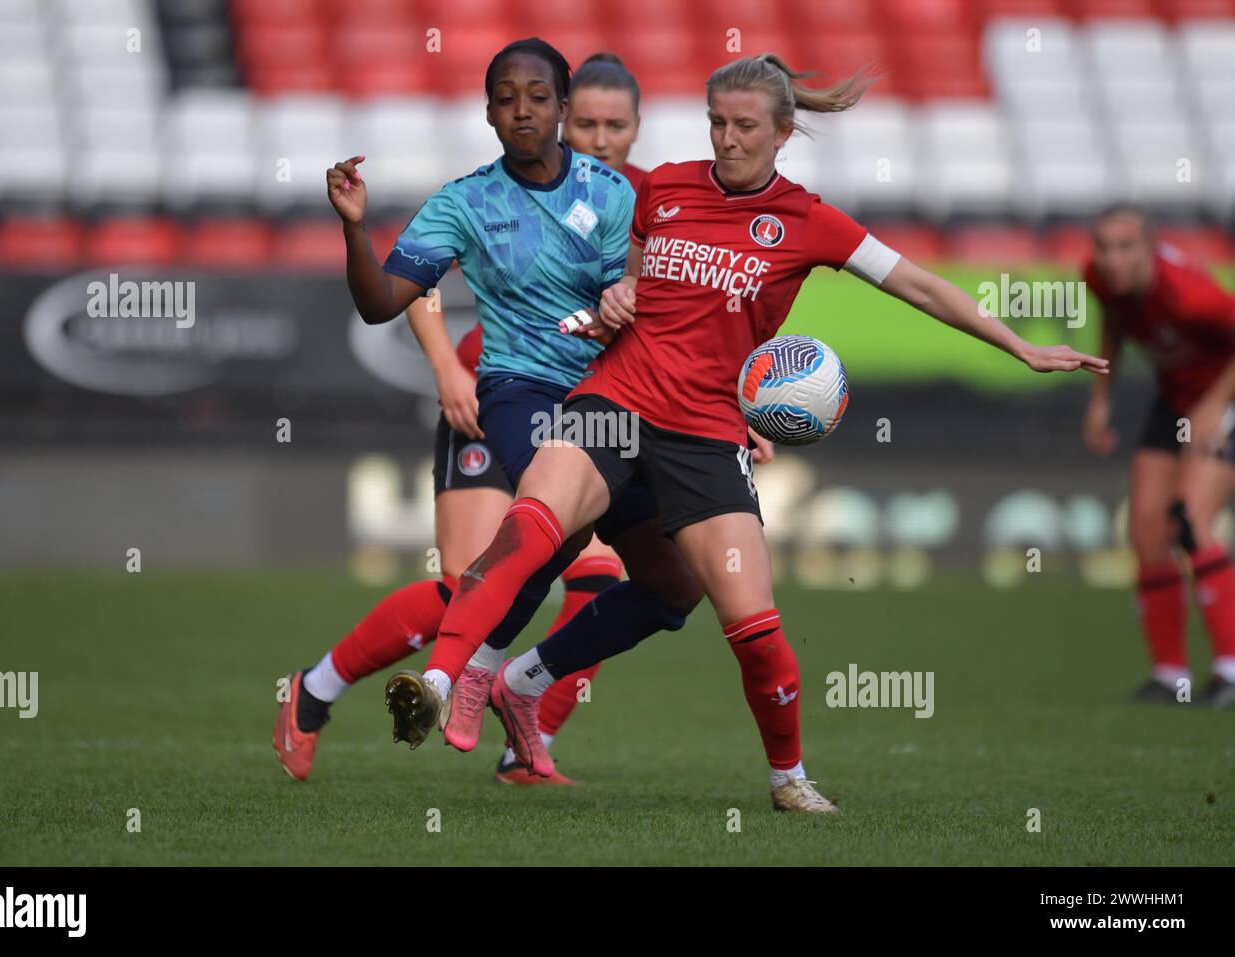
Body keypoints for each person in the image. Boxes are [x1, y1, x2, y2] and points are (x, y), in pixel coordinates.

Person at [386, 53, 1108, 813]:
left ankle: (784, 775)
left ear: (784, 132)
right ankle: (445, 679)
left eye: (744, 126)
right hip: (613, 404)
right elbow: (628, 285)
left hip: (703, 434)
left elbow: (918, 284)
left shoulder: (809, 220)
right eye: (716, 123)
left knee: (749, 624)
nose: (726, 139)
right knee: (531, 524)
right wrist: (621, 296)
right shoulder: (662, 189)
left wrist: (1019, 345)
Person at [274, 39, 711, 785]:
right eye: (507, 99)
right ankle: (365, 686)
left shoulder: (621, 198)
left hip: (610, 402)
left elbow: (659, 315)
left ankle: (515, 691)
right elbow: (385, 300)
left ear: (592, 117)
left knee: (669, 585)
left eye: (540, 98)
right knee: (506, 560)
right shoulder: (466, 200)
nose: (525, 112)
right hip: (505, 393)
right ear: (489, 113)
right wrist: (357, 229)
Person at [1082, 203, 1235, 708]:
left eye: (1126, 247)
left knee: (1190, 520)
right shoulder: (1099, 279)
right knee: (1147, 530)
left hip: (1224, 395)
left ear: (1150, 248)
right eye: (1104, 247)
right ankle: (1172, 677)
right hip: (1175, 400)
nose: (1112, 259)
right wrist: (1101, 401)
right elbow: (1114, 325)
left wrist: (1213, 407)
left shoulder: (1191, 296)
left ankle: (1231, 671)